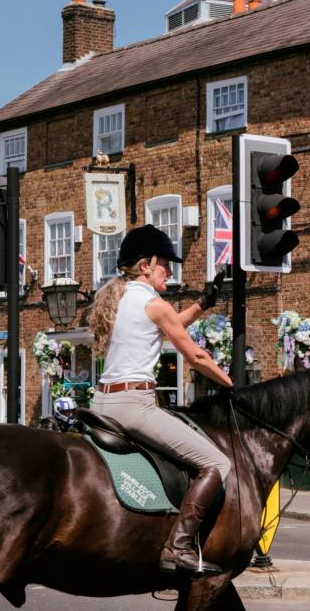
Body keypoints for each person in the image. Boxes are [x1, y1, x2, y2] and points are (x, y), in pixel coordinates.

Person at [88, 224, 233, 577]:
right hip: (134, 407)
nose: (170, 270)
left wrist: (202, 304)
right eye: (164, 263)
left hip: (101, 403)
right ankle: (178, 546)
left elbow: (171, 323)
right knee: (216, 464)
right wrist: (231, 384)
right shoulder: (154, 304)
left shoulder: (120, 299)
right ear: (144, 266)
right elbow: (195, 356)